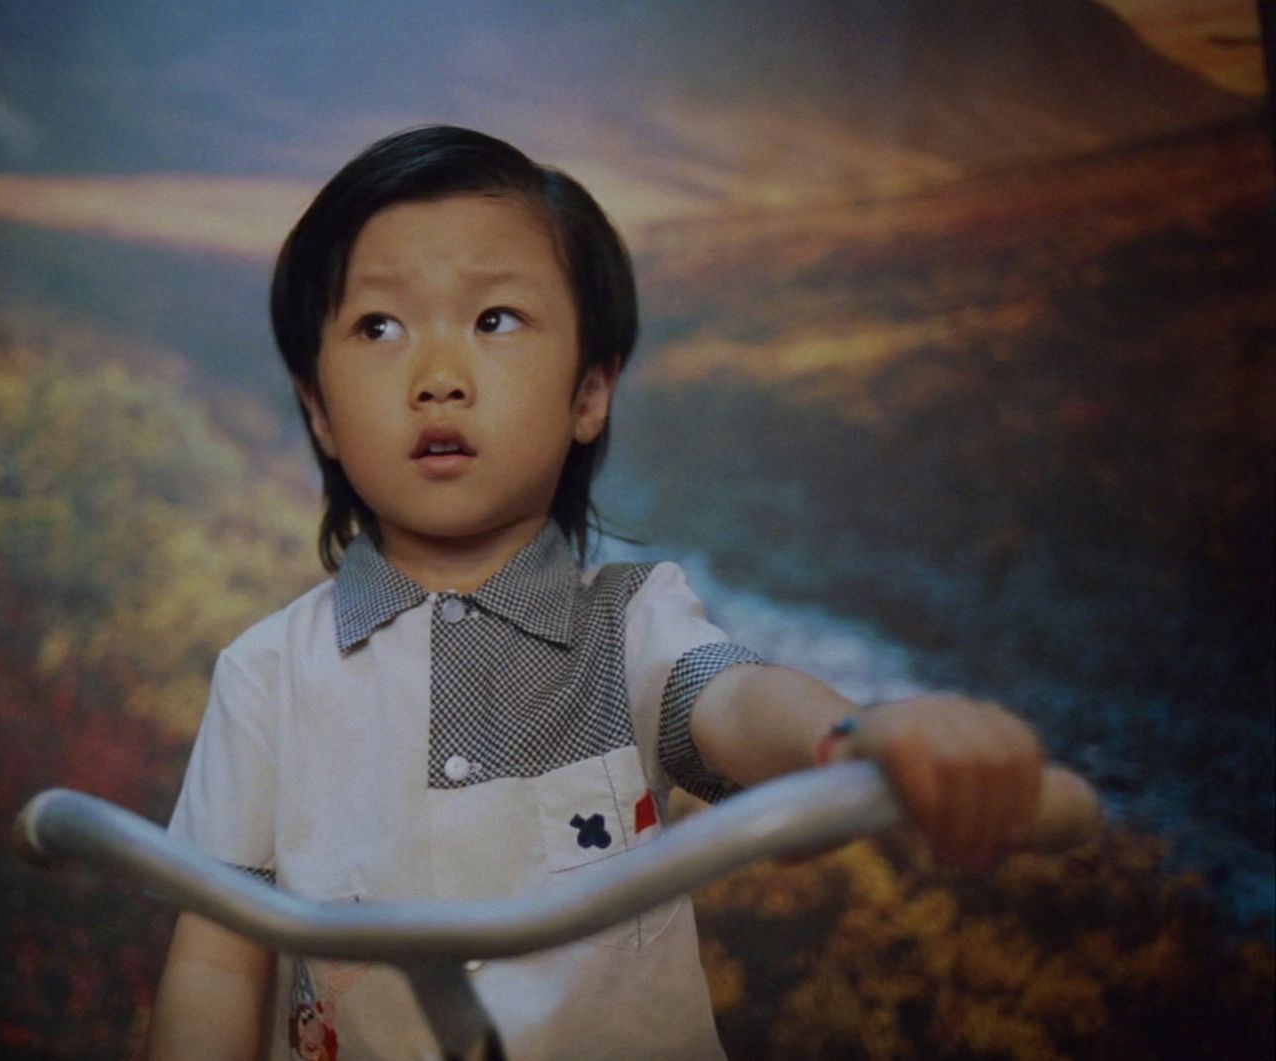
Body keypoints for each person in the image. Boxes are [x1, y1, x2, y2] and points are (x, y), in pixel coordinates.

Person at [147, 125, 1087, 1059]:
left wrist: (855, 736)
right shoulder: (267, 676)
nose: (438, 379)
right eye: (379, 327)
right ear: (318, 409)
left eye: (494, 320)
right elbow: (218, 963)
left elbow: (736, 696)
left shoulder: (634, 625)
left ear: (588, 391)